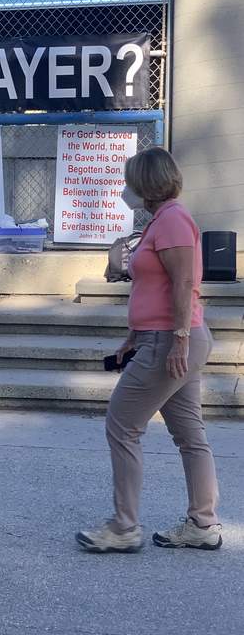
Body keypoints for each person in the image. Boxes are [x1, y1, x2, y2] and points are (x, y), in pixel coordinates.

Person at [77, 147, 221, 553]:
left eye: (131, 181)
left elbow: (182, 283)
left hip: (173, 341)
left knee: (122, 425)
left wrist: (176, 338)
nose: (126, 189)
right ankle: (202, 524)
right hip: (163, 337)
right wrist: (135, 335)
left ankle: (123, 528)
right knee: (190, 434)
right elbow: (152, 287)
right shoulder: (164, 220)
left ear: (147, 183)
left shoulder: (173, 220)